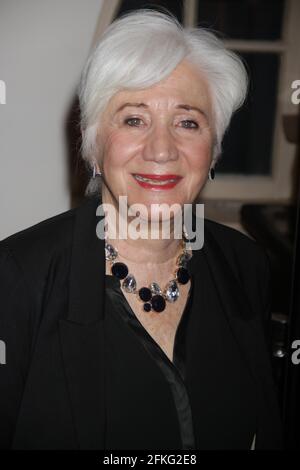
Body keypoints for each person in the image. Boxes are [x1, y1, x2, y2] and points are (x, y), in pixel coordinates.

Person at [0, 9, 282, 450]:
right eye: (134, 119)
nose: (162, 149)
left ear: (213, 149)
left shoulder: (248, 267)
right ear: (95, 145)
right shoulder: (17, 277)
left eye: (188, 122)